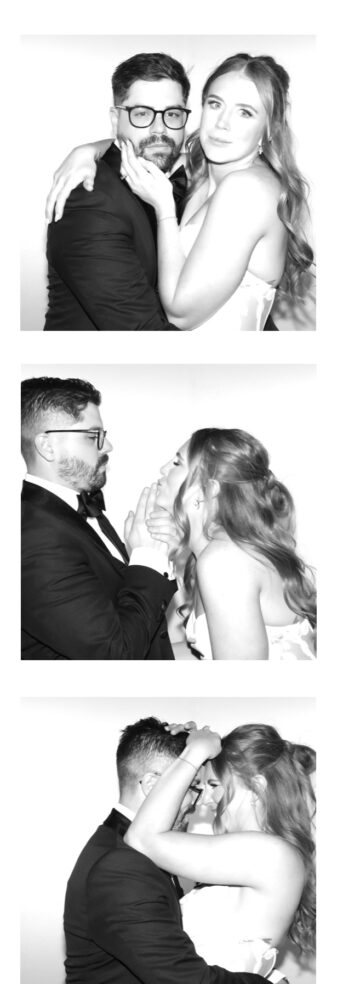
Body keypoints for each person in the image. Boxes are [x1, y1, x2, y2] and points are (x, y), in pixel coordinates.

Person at [50, 53, 314, 330]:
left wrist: (165, 209)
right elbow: (155, 143)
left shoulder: (246, 189)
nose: (223, 123)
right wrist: (87, 150)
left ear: (270, 129)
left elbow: (179, 313)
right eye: (216, 104)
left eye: (245, 112)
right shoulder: (200, 172)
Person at [63, 716, 278, 984]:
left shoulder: (128, 850)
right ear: (153, 785)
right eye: (193, 787)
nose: (200, 802)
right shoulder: (121, 866)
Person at [125, 723, 316, 984]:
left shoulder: (269, 854)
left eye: (214, 784)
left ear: (257, 788)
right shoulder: (260, 852)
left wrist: (194, 753)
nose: (204, 800)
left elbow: (141, 838)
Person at [21, 376, 178, 659]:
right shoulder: (33, 536)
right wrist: (147, 560)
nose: (107, 447)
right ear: (47, 446)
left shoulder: (76, 508)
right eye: (93, 436)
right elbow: (113, 654)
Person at [44, 53, 190, 330]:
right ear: (116, 118)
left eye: (172, 114)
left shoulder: (193, 176)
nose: (160, 130)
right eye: (142, 114)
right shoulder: (88, 200)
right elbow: (143, 334)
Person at [146, 427, 316, 659]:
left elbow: (242, 688)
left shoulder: (224, 560)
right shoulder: (213, 555)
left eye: (177, 463)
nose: (163, 469)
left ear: (208, 490)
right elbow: (198, 656)